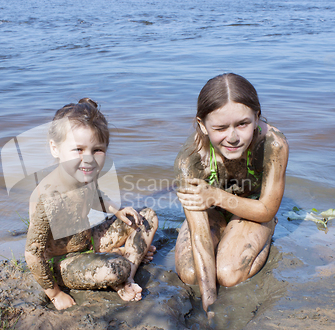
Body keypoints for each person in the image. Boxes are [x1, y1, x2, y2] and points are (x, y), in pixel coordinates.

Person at [25, 98, 158, 310]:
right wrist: (54, 294)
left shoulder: (83, 175)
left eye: (97, 150)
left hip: (89, 241)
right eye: (78, 149)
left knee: (146, 217)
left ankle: (128, 277)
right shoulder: (50, 197)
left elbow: (96, 195)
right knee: (115, 268)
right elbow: (33, 253)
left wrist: (117, 210)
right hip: (64, 261)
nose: (88, 158)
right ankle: (122, 264)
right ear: (55, 148)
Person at [174, 73, 289, 314]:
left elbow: (267, 208)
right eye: (220, 128)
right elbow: (199, 235)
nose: (233, 137)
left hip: (254, 211)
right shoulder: (191, 159)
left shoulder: (273, 145)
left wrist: (217, 196)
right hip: (211, 211)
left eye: (242, 124)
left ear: (257, 117)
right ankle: (226, 233)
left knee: (228, 274)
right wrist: (210, 307)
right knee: (191, 274)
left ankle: (260, 233)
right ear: (202, 125)